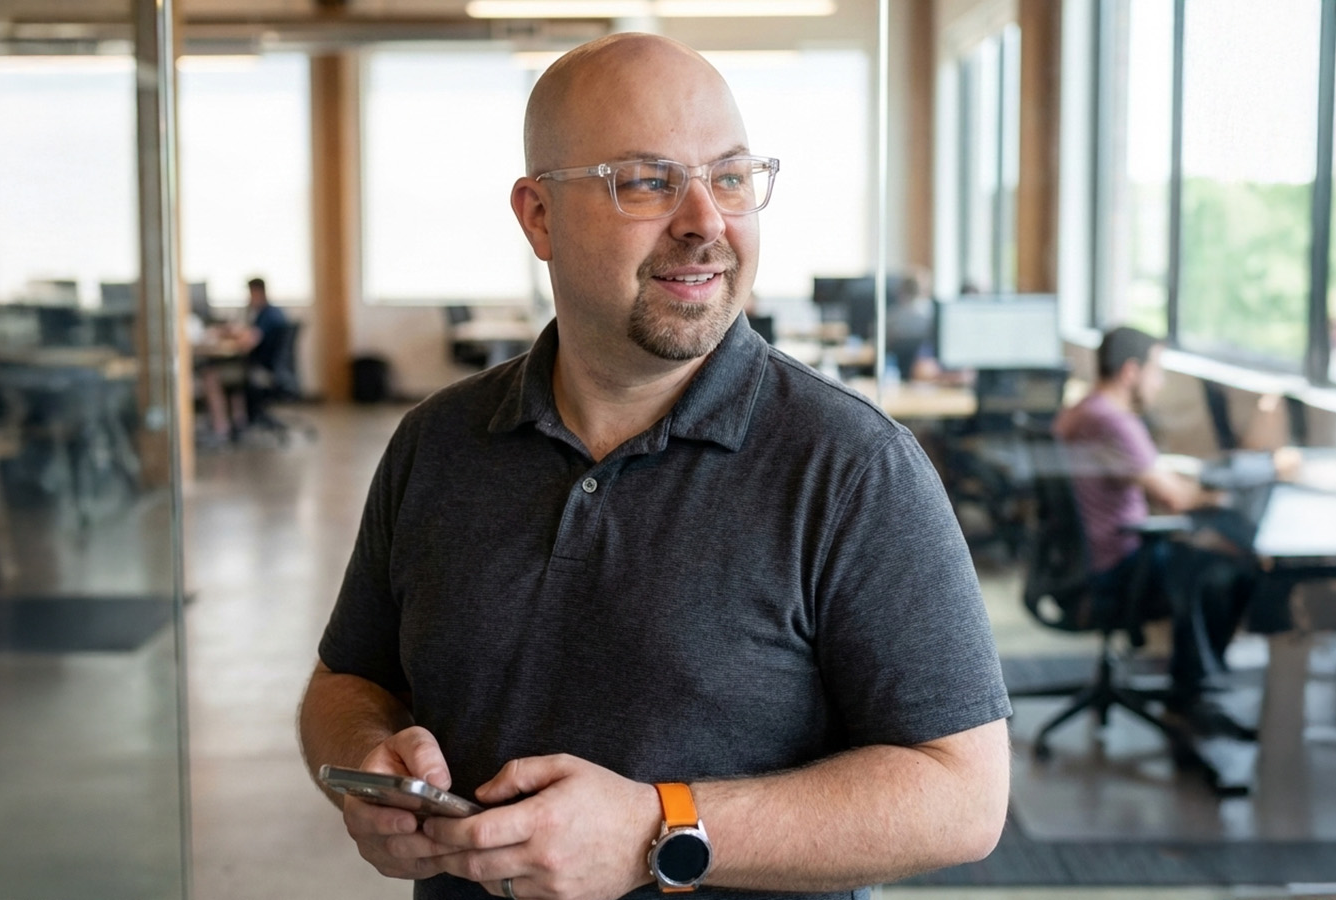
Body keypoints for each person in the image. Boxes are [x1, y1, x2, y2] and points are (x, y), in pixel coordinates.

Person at [298, 33, 1011, 900]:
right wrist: (364, 758)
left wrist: (659, 826)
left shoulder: (853, 468)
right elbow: (346, 681)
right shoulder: (438, 443)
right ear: (538, 217)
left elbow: (963, 795)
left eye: (733, 178)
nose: (706, 222)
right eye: (647, 180)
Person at [1052, 326, 1256, 736]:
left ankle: (1191, 686)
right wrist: (1226, 494)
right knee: (1227, 570)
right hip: (1119, 565)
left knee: (1202, 558)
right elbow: (1175, 498)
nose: (1159, 383)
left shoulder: (1080, 410)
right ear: (1131, 371)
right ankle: (1194, 694)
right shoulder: (1115, 421)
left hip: (1080, 561)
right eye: (1156, 371)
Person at [194, 277, 289, 442]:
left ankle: (220, 428)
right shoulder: (270, 312)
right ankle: (239, 421)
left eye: (249, 293)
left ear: (257, 292)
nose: (248, 298)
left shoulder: (269, 315)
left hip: (262, 371)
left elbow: (248, 342)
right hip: (265, 368)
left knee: (210, 374)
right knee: (231, 374)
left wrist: (229, 333)